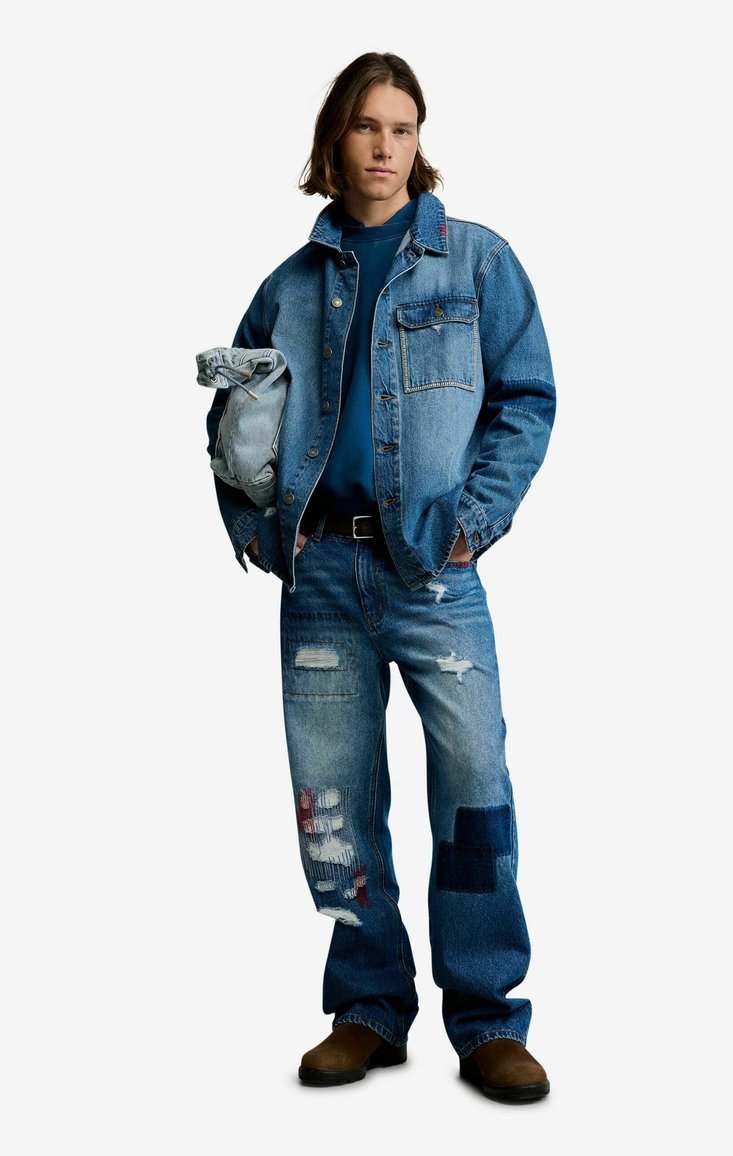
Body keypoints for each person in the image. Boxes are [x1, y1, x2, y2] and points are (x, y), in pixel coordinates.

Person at [205, 51, 557, 1103]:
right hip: (320, 575)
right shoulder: (287, 286)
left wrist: (472, 522)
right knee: (334, 804)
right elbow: (233, 415)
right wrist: (256, 528)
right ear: (336, 140)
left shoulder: (476, 262)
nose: (385, 147)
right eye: (367, 127)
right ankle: (366, 1007)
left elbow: (527, 397)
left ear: (419, 141)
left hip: (432, 574)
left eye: (403, 129)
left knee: (473, 787)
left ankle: (487, 1018)